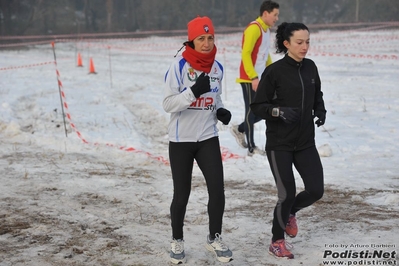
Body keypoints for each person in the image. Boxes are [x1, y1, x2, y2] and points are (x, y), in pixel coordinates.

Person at [250, 22, 327, 259]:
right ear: (287, 44)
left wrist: (320, 110)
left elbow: (317, 94)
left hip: (305, 142)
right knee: (287, 194)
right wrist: (278, 112)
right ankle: (277, 241)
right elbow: (258, 107)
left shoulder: (311, 68)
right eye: (299, 42)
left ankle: (291, 212)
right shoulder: (274, 72)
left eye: (307, 42)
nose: (305, 47)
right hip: (280, 144)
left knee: (316, 190)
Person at [163, 16, 233, 264]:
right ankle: (177, 240)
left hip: (207, 138)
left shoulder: (218, 68)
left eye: (210, 37)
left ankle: (214, 238)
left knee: (218, 191)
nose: (206, 43)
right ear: (191, 41)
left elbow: (216, 100)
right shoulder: (179, 66)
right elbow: (168, 104)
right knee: (181, 194)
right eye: (201, 38)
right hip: (181, 140)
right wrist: (193, 91)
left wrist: (221, 111)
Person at [231, 0, 280, 156]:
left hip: (260, 78)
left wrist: (273, 72)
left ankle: (239, 129)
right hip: (249, 78)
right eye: (275, 15)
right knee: (251, 111)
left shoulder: (266, 30)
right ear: (265, 13)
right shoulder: (254, 28)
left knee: (264, 110)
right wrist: (253, 77)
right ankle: (252, 148)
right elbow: (245, 54)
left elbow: (265, 55)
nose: (276, 18)